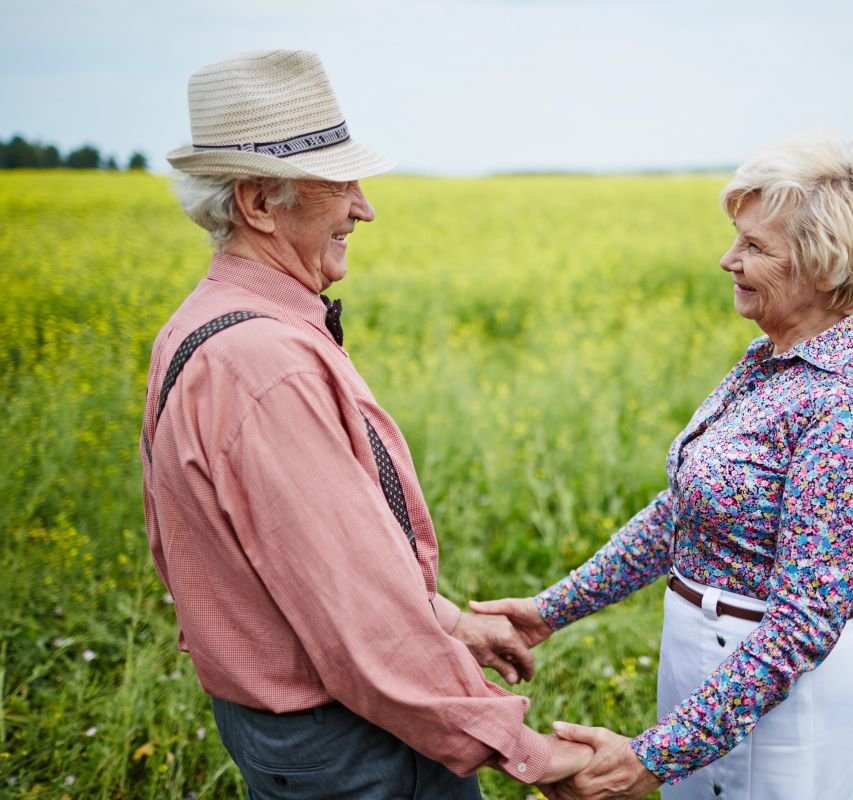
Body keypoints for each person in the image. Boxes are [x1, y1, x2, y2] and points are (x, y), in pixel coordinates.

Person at [141, 49, 590, 799]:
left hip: (291, 736)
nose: (364, 207)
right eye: (338, 184)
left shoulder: (202, 323)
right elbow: (360, 620)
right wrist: (531, 753)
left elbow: (295, 566)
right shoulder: (264, 364)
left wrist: (448, 622)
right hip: (353, 745)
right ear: (258, 202)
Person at [474, 135, 853, 800]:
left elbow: (802, 623)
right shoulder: (768, 361)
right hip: (703, 685)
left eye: (755, 246)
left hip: (787, 712)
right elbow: (683, 515)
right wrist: (550, 611)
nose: (728, 259)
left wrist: (652, 758)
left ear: (825, 269)